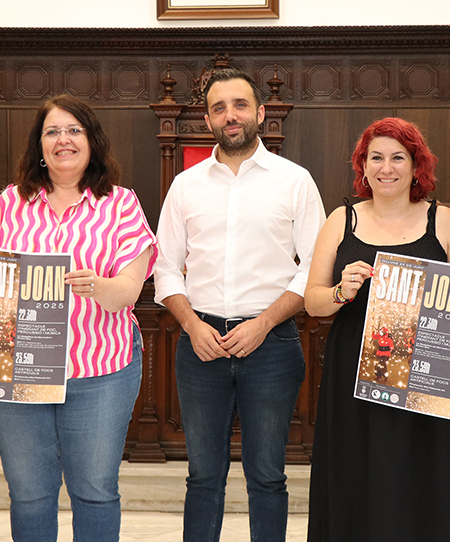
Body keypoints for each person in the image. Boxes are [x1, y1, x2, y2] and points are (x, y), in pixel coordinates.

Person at [304, 117, 450, 542]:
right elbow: (313, 302)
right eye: (376, 157)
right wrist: (341, 291)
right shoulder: (341, 219)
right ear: (363, 165)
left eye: (398, 157)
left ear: (416, 166)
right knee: (360, 475)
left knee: (434, 477)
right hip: (356, 373)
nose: (386, 167)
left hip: (430, 372)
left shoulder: (443, 221)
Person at [0, 94, 157, 542]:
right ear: (39, 145)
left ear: (91, 141)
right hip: (19, 369)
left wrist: (97, 285)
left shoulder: (121, 204)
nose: (63, 140)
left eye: (74, 130)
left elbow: (128, 293)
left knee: (94, 490)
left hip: (100, 371)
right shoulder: (10, 204)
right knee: (29, 493)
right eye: (52, 131)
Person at [154, 67, 325, 542]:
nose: (231, 115)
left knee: (268, 477)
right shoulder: (186, 185)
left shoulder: (295, 181)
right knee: (203, 478)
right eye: (219, 108)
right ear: (208, 120)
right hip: (200, 344)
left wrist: (263, 323)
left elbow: (314, 267)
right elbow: (165, 267)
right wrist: (190, 324)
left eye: (240, 105)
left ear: (261, 113)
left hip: (271, 347)